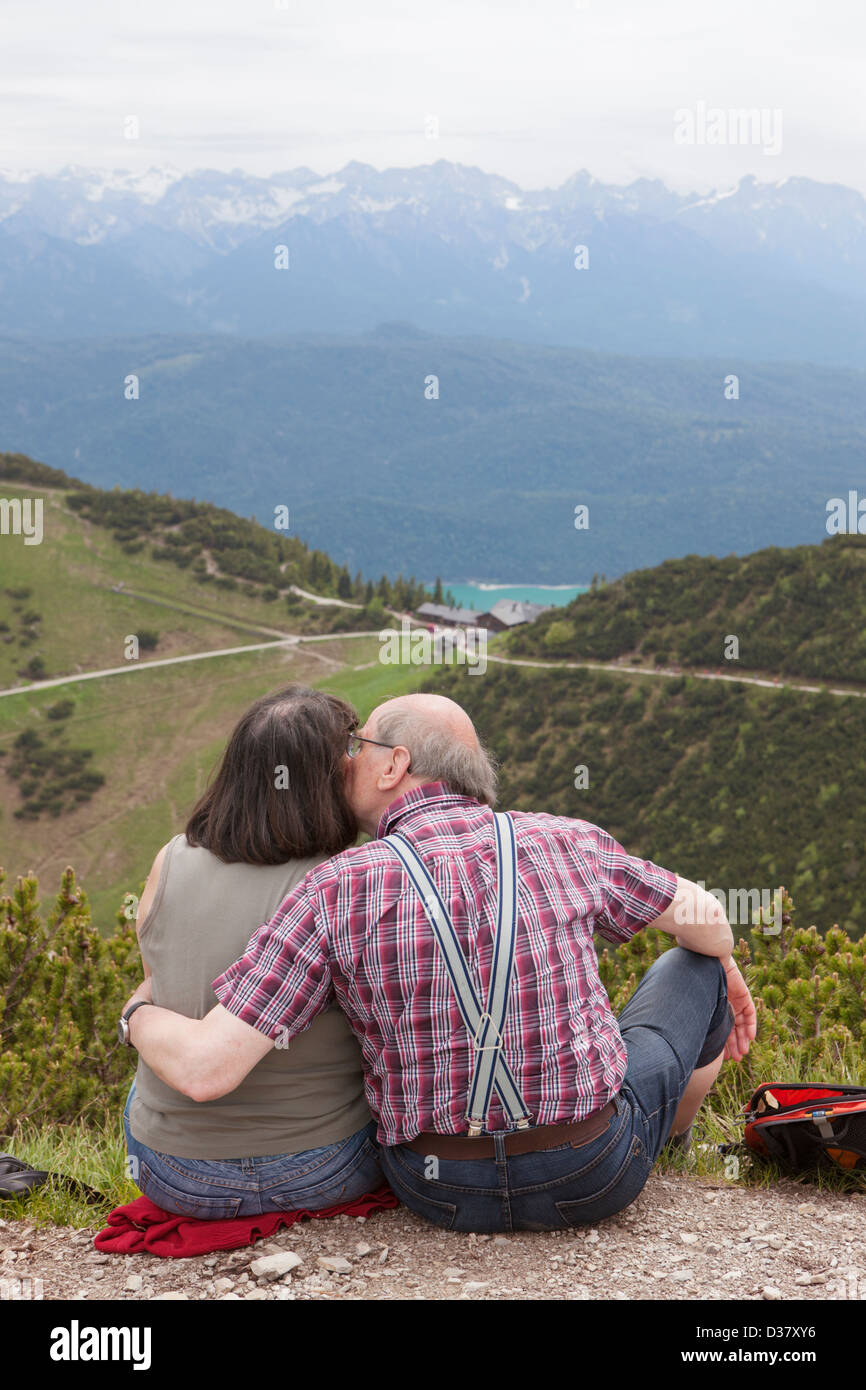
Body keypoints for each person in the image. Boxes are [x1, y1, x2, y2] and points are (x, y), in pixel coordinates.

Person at [122, 692, 756, 1233]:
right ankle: (667, 1144)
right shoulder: (568, 840)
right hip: (591, 1174)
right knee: (691, 967)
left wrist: (137, 1011)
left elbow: (212, 1062)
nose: (345, 763)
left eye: (357, 747)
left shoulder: (334, 885)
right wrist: (724, 969)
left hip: (437, 1191)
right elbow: (708, 920)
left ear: (395, 764)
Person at [120, 684, 383, 1219]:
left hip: (171, 1173)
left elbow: (163, 982)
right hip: (321, 1168)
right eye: (350, 751)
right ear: (327, 778)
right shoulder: (348, 881)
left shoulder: (168, 861)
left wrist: (132, 1014)